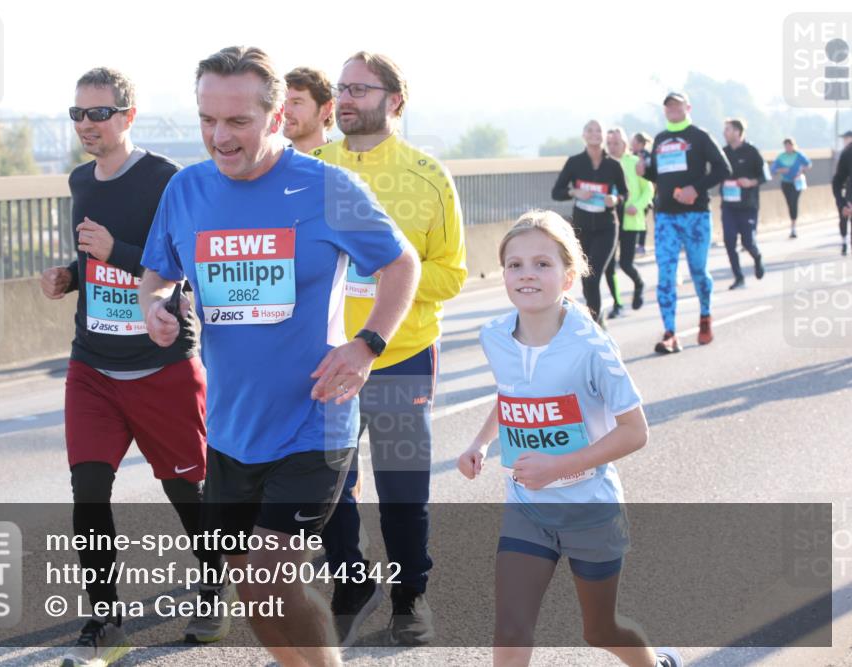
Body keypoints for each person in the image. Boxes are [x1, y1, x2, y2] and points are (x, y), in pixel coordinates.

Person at [139, 46, 420, 667]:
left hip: (313, 420)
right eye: (207, 120)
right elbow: (158, 273)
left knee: (268, 573)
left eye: (237, 121)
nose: (220, 136)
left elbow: (401, 263)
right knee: (252, 587)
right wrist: (155, 307)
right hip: (233, 428)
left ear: (275, 118)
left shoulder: (328, 187)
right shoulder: (185, 190)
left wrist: (366, 345)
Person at [39, 67, 229, 666]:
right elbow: (89, 258)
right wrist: (70, 275)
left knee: (185, 490)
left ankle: (214, 584)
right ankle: (105, 622)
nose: (87, 126)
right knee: (88, 491)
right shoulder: (78, 180)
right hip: (93, 365)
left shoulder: (165, 179)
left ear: (129, 115)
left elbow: (183, 261)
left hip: (161, 363)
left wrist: (114, 253)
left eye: (99, 113)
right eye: (78, 115)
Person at [456, 209, 683, 667]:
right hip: (527, 507)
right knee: (511, 628)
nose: (527, 274)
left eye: (543, 264)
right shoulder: (494, 335)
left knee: (600, 629)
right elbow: (512, 394)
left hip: (589, 511)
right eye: (515, 264)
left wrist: (558, 467)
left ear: (568, 276)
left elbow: (635, 432)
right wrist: (480, 442)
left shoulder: (592, 347)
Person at [311, 51, 467, 647]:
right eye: (341, 88)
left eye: (360, 89)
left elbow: (451, 274)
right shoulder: (311, 166)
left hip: (400, 354)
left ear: (395, 101)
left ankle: (410, 598)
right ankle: (352, 586)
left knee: (402, 485)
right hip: (327, 356)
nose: (345, 99)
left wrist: (386, 278)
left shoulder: (428, 175)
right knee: (329, 486)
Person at [638, 92, 730, 354]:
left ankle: (705, 315)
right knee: (666, 276)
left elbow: (724, 169)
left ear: (687, 107)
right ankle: (670, 333)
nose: (673, 110)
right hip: (666, 216)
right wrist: (646, 172)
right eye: (668, 106)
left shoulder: (699, 136)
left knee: (698, 271)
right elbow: (659, 174)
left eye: (677, 105)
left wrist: (696, 189)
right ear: (664, 111)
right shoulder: (660, 139)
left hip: (696, 216)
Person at [551, 120, 627, 324]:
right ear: (584, 135)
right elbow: (556, 192)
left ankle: (595, 322)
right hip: (582, 228)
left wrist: (616, 199)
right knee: (586, 278)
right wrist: (574, 191)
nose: (594, 134)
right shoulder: (575, 162)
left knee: (593, 275)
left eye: (598, 130)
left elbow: (624, 193)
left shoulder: (613, 165)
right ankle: (596, 316)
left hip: (607, 227)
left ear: (603, 136)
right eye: (590, 130)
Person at [604, 127, 652, 317]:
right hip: (609, 219)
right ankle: (617, 304)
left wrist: (638, 206)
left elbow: (648, 190)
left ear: (624, 144)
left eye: (616, 143)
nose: (612, 147)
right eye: (609, 144)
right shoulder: (604, 164)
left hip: (631, 219)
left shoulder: (634, 162)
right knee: (608, 265)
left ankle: (639, 284)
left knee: (625, 264)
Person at [719, 118, 766, 290]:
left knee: (747, 242)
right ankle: (739, 278)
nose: (725, 133)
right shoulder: (722, 153)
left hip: (748, 205)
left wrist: (751, 182)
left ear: (738, 132)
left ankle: (757, 257)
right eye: (725, 130)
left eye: (728, 130)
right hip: (728, 206)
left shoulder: (752, 151)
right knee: (729, 241)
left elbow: (765, 176)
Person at [283, 67, 334, 153]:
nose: (285, 112)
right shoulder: (270, 164)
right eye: (283, 103)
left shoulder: (343, 164)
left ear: (325, 110)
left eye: (296, 103)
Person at [771, 138, 811, 239]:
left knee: (794, 202)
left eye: (790, 145)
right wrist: (781, 170)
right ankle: (792, 224)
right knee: (789, 203)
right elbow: (773, 169)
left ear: (793, 145)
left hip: (796, 182)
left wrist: (801, 170)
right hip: (786, 183)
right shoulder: (781, 157)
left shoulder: (799, 155)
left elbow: (809, 164)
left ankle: (793, 227)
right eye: (786, 146)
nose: (788, 147)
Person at [630, 132, 653, 255]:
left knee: (642, 221)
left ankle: (641, 245)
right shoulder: (630, 155)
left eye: (633, 143)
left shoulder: (648, 156)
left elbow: (651, 175)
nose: (631, 145)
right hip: (633, 194)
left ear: (640, 144)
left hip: (645, 194)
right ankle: (632, 244)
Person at [831, 130, 852, 256]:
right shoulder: (847, 153)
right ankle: (844, 241)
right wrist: (842, 202)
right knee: (843, 219)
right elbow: (837, 180)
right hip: (849, 198)